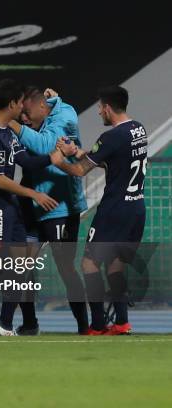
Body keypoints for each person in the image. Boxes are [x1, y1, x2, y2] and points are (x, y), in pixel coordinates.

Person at [51, 85, 147, 336]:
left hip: (114, 210)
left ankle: (97, 325)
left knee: (88, 264)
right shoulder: (138, 129)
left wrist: (61, 160)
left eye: (99, 108)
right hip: (136, 208)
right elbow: (115, 160)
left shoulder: (110, 137)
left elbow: (81, 170)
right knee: (115, 265)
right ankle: (122, 323)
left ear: (107, 108)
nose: (98, 113)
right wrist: (78, 152)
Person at [0, 79, 59, 336]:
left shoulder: (7, 132)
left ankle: (4, 322)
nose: (24, 106)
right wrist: (33, 193)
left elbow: (25, 161)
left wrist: (52, 157)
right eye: (21, 101)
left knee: (20, 264)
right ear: (12, 103)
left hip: (9, 208)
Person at [7, 87, 89, 334]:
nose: (24, 118)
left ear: (43, 108)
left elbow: (44, 147)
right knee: (23, 266)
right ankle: (30, 323)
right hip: (32, 208)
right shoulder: (49, 109)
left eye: (28, 113)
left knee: (66, 268)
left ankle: (84, 328)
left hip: (60, 209)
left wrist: (12, 125)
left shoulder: (64, 118)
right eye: (22, 115)